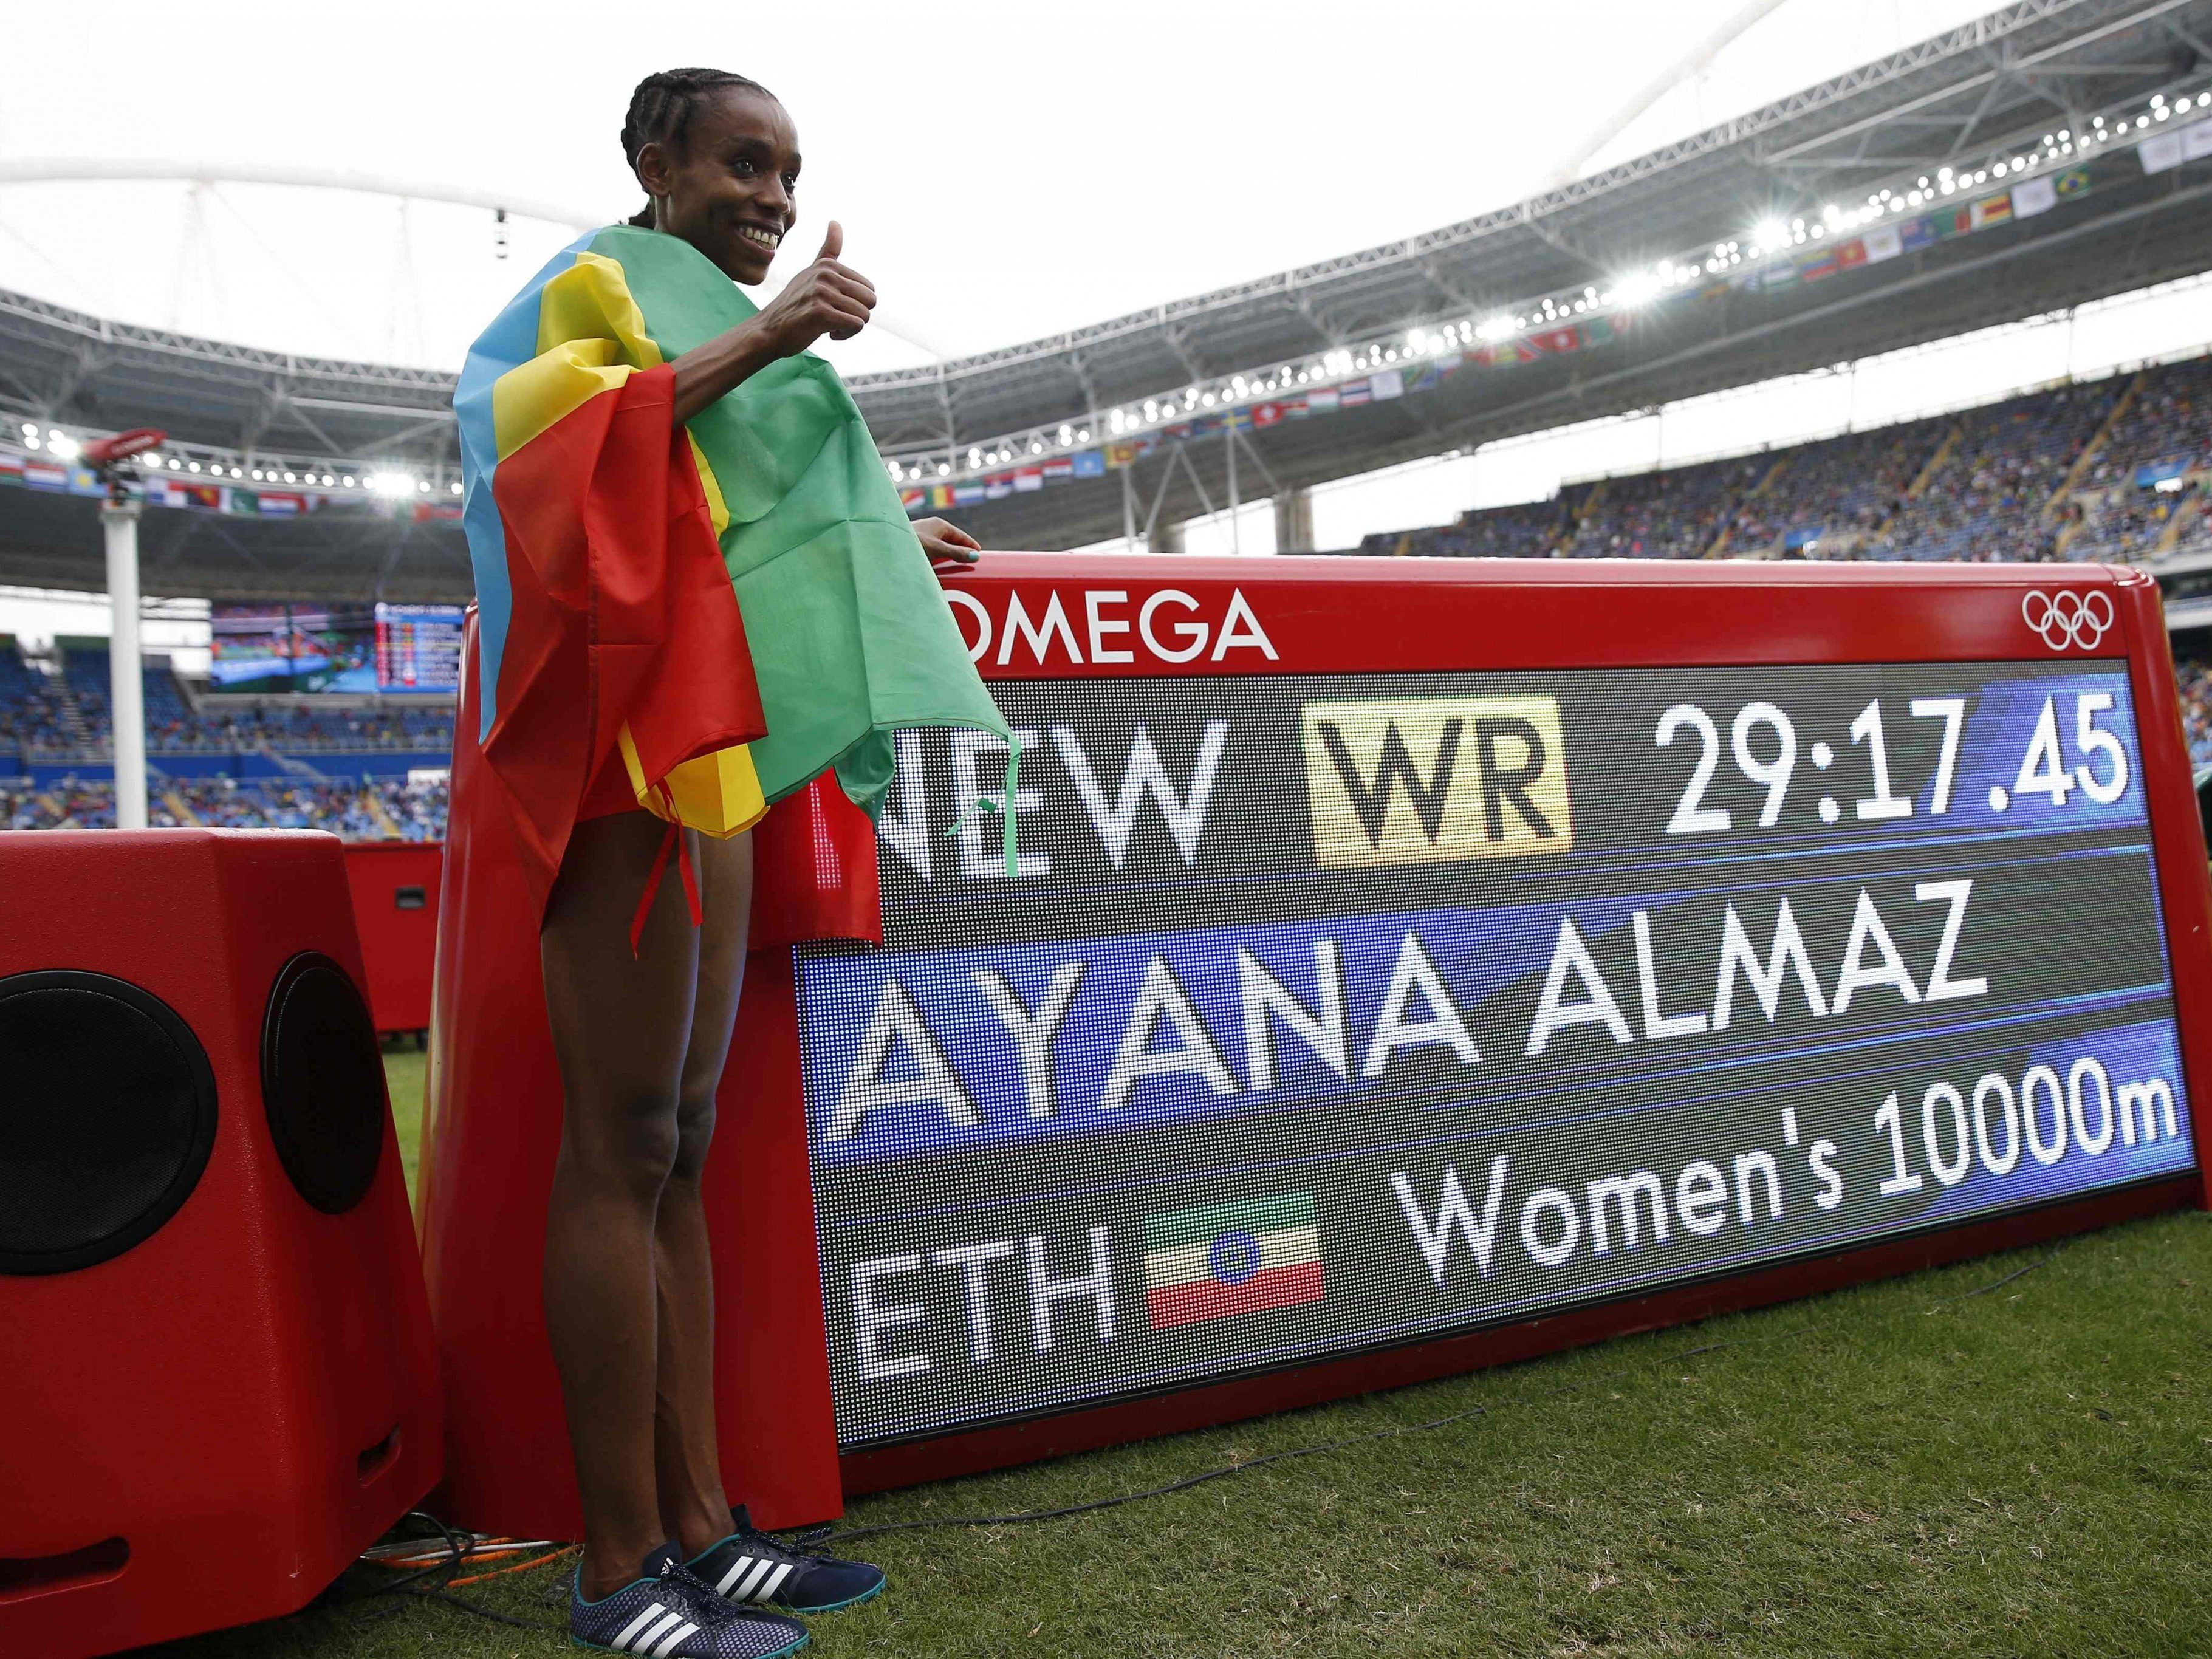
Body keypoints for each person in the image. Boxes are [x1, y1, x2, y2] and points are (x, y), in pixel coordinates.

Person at [454, 66, 1012, 1659]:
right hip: (617, 760)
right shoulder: (589, 290)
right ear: (652, 160)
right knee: (622, 1135)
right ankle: (617, 1572)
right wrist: (773, 334)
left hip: (711, 767)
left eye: (787, 170)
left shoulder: (699, 311)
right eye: (740, 165)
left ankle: (703, 1527)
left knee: (680, 1135)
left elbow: (737, 521)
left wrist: (894, 538)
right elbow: (545, 467)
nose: (771, 196)